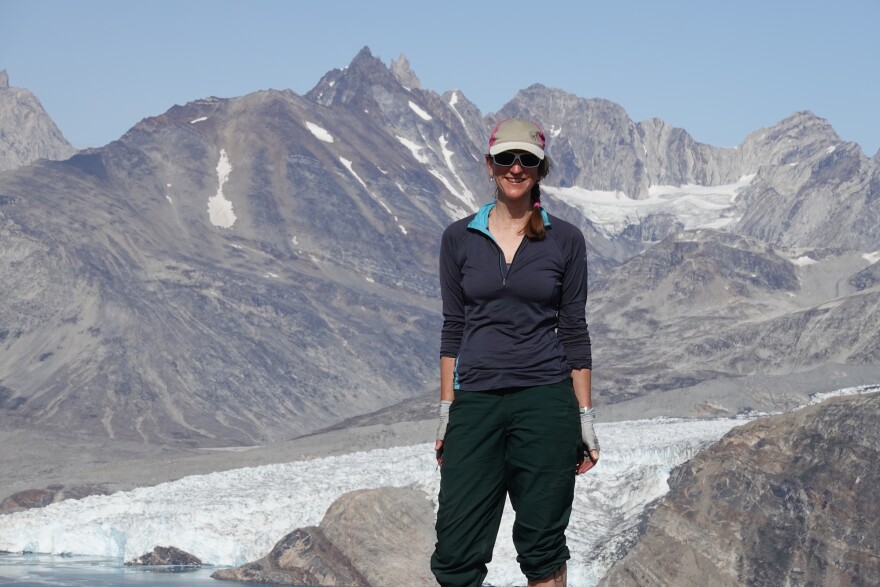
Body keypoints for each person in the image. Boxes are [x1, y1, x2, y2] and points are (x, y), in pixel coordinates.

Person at [430, 118, 600, 587]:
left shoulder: (566, 240)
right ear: (490, 165)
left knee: (544, 548)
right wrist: (447, 409)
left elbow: (574, 330)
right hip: (476, 401)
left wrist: (584, 416)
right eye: (506, 158)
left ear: (540, 168)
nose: (516, 167)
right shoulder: (458, 238)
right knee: (455, 552)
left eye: (527, 159)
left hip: (545, 401)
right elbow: (453, 328)